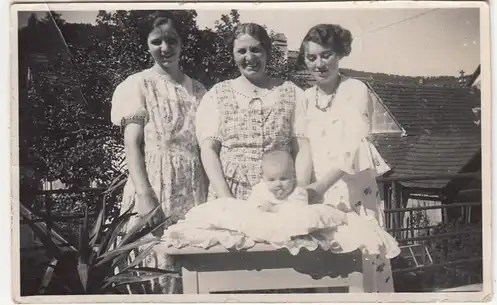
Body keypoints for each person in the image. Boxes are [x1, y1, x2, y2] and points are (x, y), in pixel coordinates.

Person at [110, 11, 208, 294]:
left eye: (172, 40)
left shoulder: (199, 90)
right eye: (157, 41)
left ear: (181, 43)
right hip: (154, 184)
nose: (165, 48)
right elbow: (132, 143)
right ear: (147, 44)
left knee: (190, 269)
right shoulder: (138, 84)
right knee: (153, 262)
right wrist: (144, 194)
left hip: (193, 188)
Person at [298, 23, 396, 292]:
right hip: (320, 196)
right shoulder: (305, 99)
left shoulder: (355, 90)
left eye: (326, 55)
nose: (319, 63)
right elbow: (304, 148)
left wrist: (319, 187)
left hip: (354, 192)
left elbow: (352, 146)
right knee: (327, 273)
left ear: (339, 54)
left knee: (363, 265)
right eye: (311, 57)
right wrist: (302, 189)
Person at [196, 23, 311, 203]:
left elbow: (302, 147)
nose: (249, 57)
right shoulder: (217, 94)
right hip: (230, 194)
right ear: (233, 55)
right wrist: (227, 200)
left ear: (267, 52)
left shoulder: (292, 92)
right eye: (241, 51)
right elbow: (209, 150)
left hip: (280, 196)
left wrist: (300, 193)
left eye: (256, 50)